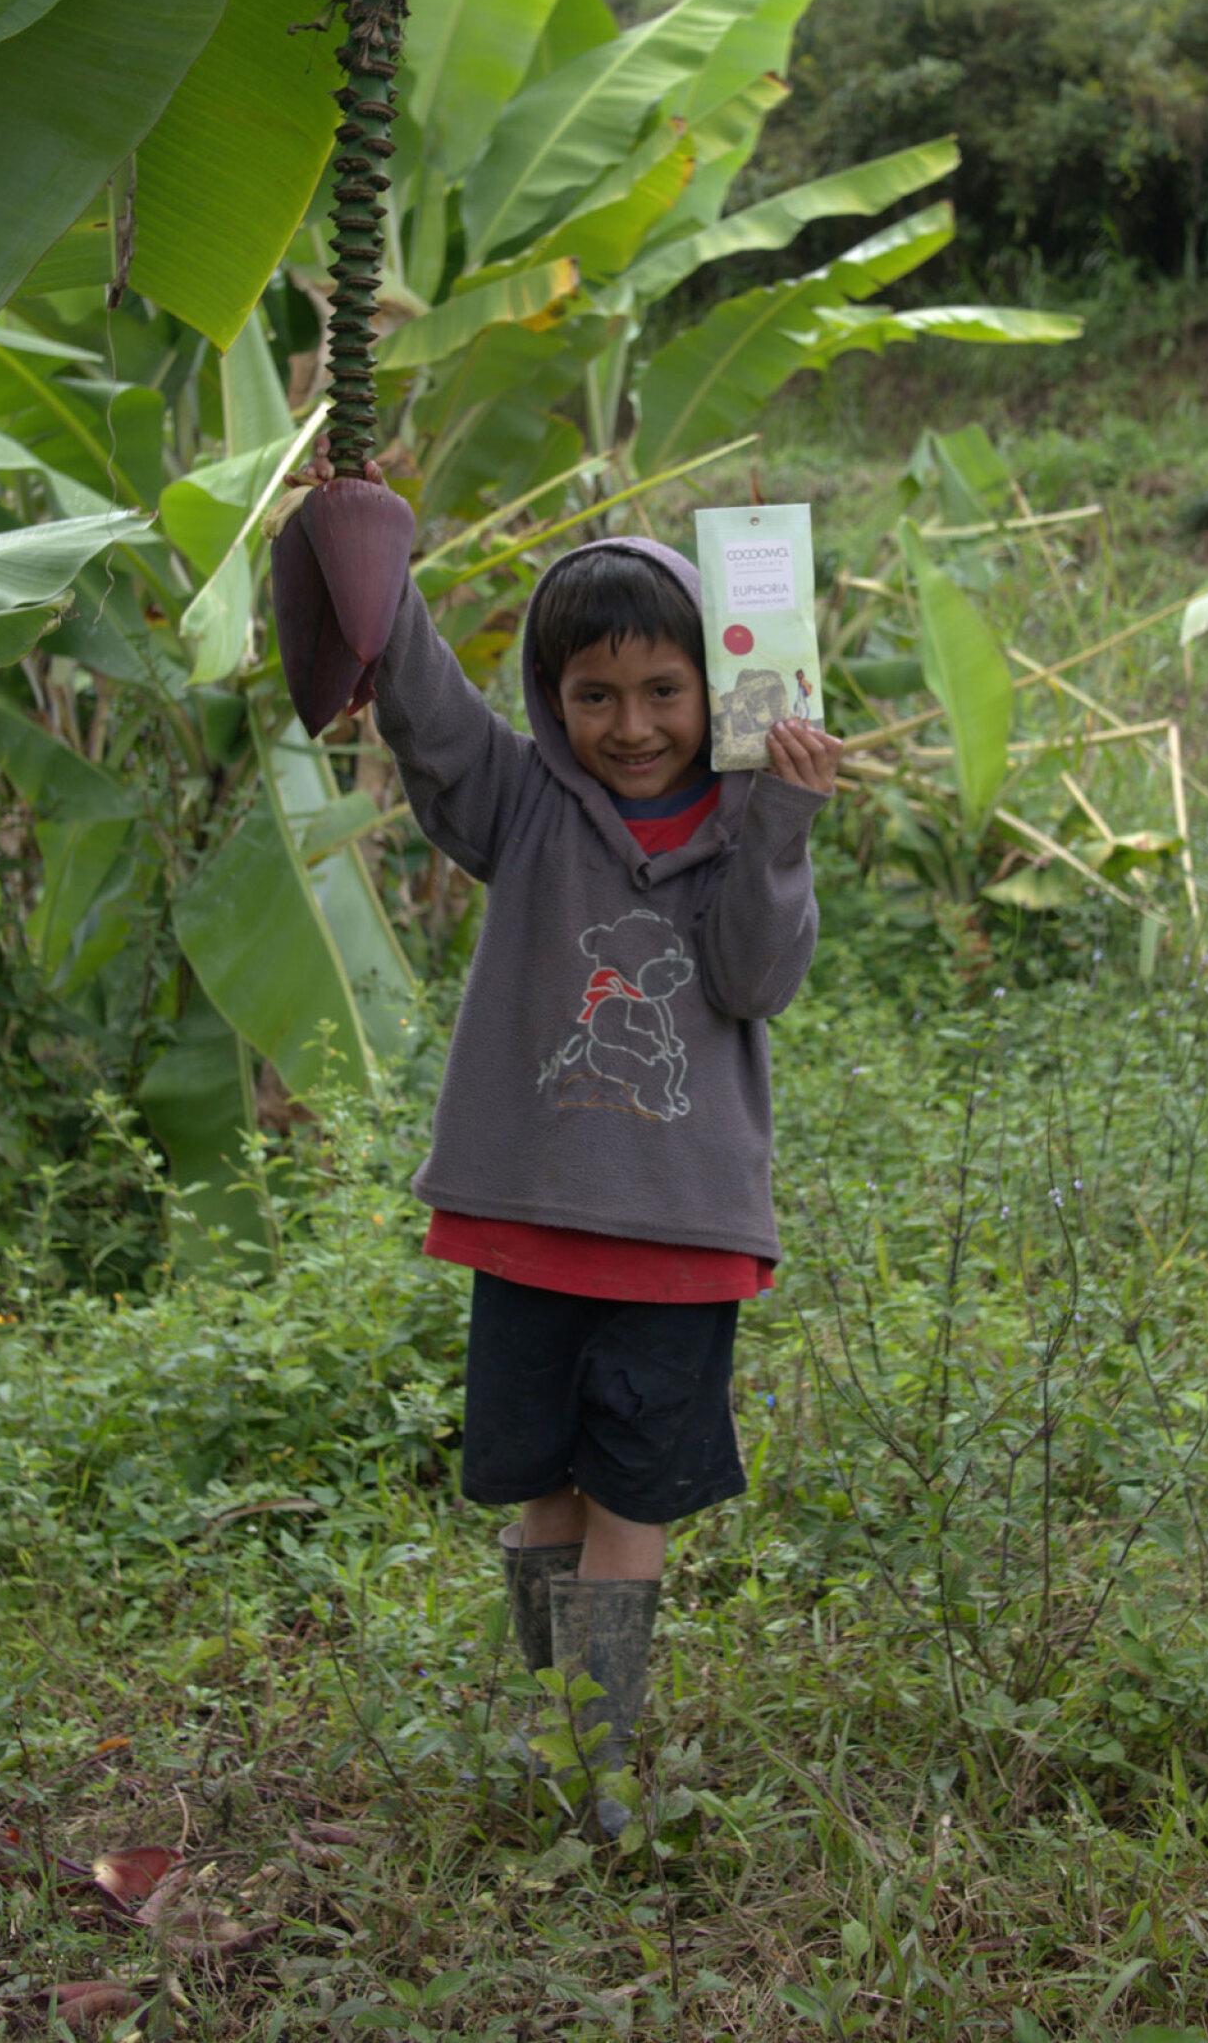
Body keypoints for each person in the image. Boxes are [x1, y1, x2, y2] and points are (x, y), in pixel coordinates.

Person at [365, 503, 840, 1835]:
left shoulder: (752, 814)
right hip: (530, 1220)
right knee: (545, 1489)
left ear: (713, 686)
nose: (630, 724)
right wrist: (371, 553)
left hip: (680, 1233)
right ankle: (561, 1727)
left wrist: (787, 826)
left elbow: (754, 977)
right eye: (593, 695)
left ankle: (595, 1769)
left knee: (634, 1494)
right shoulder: (520, 800)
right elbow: (425, 710)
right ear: (549, 694)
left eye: (663, 691)